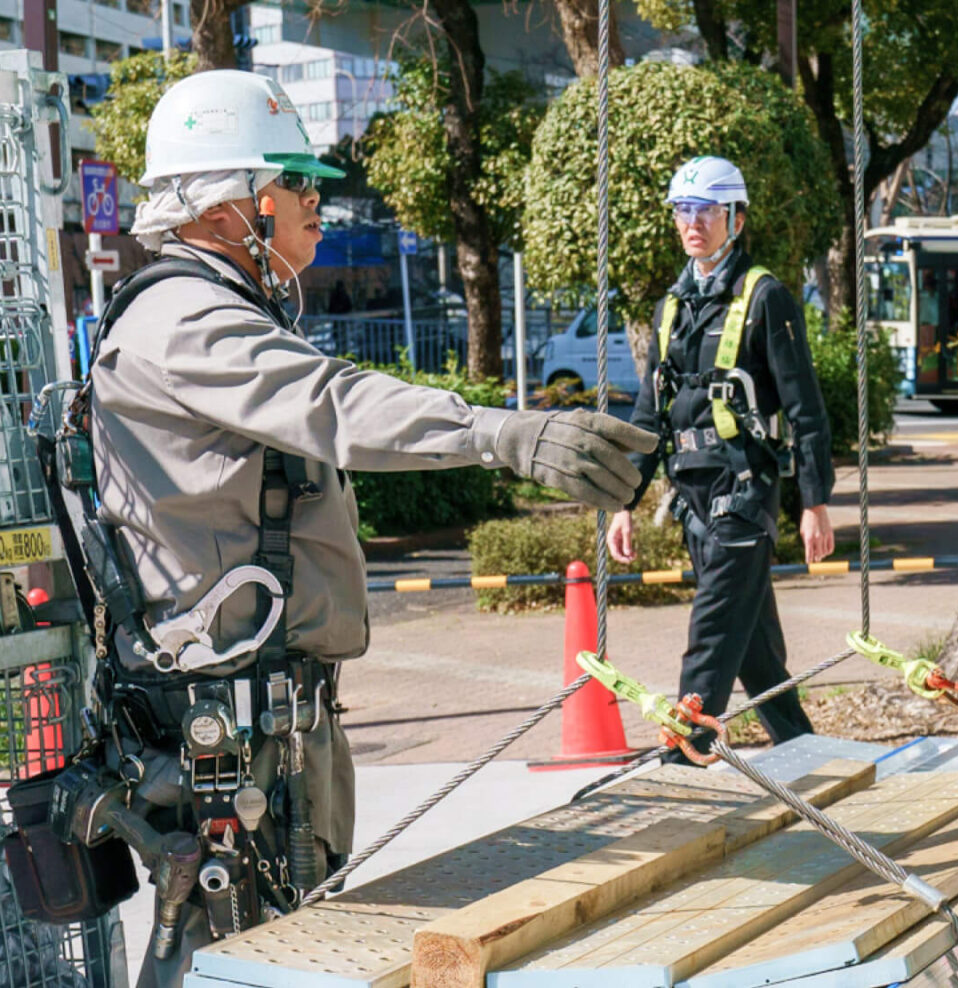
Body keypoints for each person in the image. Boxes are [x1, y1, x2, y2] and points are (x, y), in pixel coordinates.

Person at [55, 69, 657, 987]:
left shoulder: (216, 306)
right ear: (230, 207)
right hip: (227, 721)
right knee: (229, 950)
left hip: (263, 714)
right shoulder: (185, 321)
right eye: (299, 184)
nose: (316, 205)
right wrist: (499, 432)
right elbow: (333, 403)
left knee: (266, 944)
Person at [606, 156, 833, 758]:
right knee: (755, 653)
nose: (692, 223)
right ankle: (807, 756)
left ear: (735, 217)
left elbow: (805, 407)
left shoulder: (765, 297)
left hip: (744, 495)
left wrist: (814, 502)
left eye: (705, 210)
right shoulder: (673, 307)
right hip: (694, 503)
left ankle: (683, 751)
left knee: (710, 633)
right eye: (683, 211)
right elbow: (649, 419)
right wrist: (623, 502)